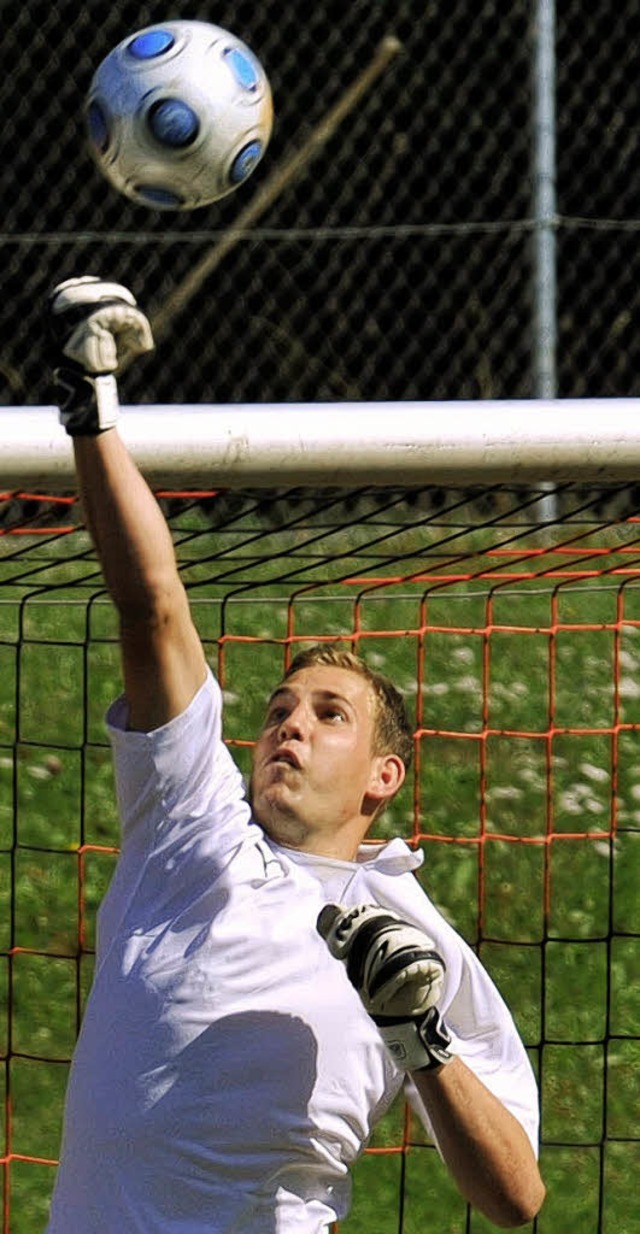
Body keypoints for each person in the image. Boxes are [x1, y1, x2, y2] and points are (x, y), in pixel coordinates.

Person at [43, 276, 545, 1233]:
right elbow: (153, 605)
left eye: (328, 714)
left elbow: (516, 1195)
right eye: (278, 709)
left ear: (384, 777)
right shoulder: (193, 830)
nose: (290, 725)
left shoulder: (415, 943)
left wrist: (421, 1042)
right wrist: (89, 408)